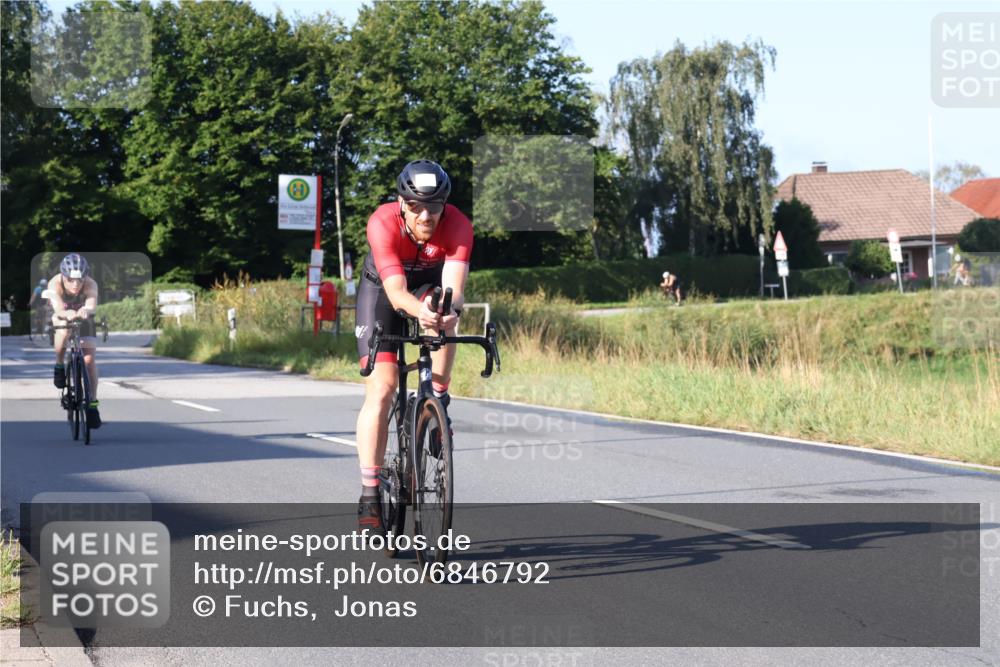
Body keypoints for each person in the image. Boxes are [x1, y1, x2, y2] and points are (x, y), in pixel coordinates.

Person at [354, 160, 473, 536]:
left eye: (434, 207)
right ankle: (371, 492)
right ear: (401, 202)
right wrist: (418, 310)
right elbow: (395, 293)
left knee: (444, 317)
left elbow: (454, 286)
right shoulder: (381, 222)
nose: (425, 215)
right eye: (417, 206)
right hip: (384, 292)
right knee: (384, 388)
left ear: (445, 206)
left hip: (428, 286)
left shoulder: (458, 225)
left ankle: (438, 399)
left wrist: (446, 312)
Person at [48, 253, 101, 428]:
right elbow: (57, 308)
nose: (76, 284)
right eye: (71, 280)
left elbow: (91, 304)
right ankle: (59, 364)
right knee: (63, 330)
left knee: (89, 360)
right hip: (63, 315)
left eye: (80, 280)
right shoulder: (54, 284)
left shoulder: (90, 283)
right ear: (63, 276)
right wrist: (66, 313)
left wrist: (86, 310)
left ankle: (92, 404)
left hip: (83, 317)